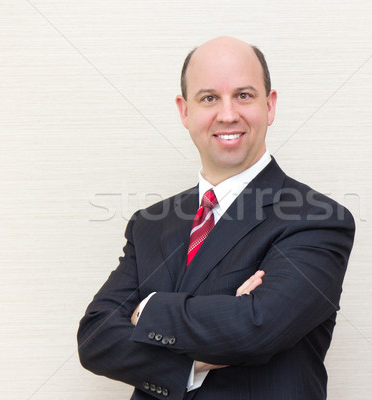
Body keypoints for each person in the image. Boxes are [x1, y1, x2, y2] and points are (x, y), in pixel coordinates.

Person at [77, 36, 355, 400]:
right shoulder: (150, 223)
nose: (227, 114)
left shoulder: (318, 219)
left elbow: (256, 329)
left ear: (269, 106)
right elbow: (95, 338)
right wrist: (193, 361)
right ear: (184, 111)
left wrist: (147, 309)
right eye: (209, 98)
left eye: (243, 95)